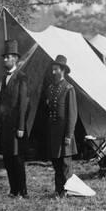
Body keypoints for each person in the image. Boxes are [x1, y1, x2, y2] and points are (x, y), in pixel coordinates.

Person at [0, 40, 29, 198]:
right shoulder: (4, 78)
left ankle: (22, 191)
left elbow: (23, 104)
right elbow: (2, 102)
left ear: (15, 59)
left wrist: (21, 127)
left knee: (17, 159)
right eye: (4, 57)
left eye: (7, 57)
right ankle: (13, 189)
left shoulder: (21, 77)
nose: (4, 60)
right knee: (8, 158)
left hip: (16, 126)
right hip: (5, 126)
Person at [44, 55, 78, 198]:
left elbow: (72, 114)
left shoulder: (69, 89)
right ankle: (59, 190)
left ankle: (68, 191)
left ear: (63, 70)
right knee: (56, 163)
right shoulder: (50, 88)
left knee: (65, 164)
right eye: (52, 69)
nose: (53, 72)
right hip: (54, 133)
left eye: (56, 69)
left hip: (64, 133)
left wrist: (69, 135)